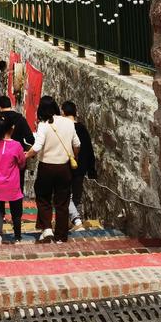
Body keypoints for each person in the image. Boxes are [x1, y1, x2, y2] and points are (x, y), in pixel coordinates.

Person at [29, 95, 78, 243]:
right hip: (64, 167)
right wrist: (74, 158)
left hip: (47, 167)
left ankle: (47, 229)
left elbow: (37, 147)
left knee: (43, 197)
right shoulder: (68, 123)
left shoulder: (44, 125)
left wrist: (25, 155)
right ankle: (61, 236)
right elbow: (77, 144)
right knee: (62, 202)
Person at [0, 111, 27, 244]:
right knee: (16, 211)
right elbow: (22, 163)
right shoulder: (17, 146)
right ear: (12, 128)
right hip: (13, 184)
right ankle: (17, 236)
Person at [61, 100, 96, 230]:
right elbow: (89, 150)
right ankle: (76, 223)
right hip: (81, 168)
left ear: (63, 112)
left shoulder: (64, 128)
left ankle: (76, 221)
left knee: (64, 195)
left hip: (66, 166)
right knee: (77, 196)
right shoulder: (82, 129)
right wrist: (91, 170)